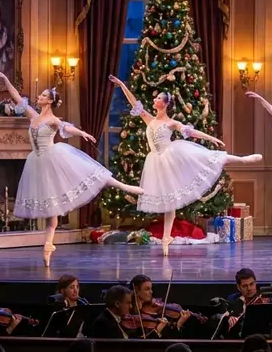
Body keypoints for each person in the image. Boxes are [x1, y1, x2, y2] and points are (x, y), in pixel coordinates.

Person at [0, 67, 143, 267]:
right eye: (41, 94)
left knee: (91, 173)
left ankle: (124, 186)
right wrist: (5, 79)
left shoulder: (53, 120)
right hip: (37, 163)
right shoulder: (32, 115)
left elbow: (66, 128)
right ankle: (48, 246)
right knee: (51, 210)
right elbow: (17, 97)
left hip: (53, 157)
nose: (39, 96)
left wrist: (82, 133)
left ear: (50, 101)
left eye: (43, 95)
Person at [110, 75, 261, 255]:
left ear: (165, 104)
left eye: (158, 98)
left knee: (209, 157)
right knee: (169, 202)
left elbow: (191, 132)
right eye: (156, 98)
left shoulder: (171, 122)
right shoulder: (149, 119)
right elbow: (135, 103)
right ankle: (166, 238)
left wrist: (211, 138)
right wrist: (121, 85)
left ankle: (243, 159)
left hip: (171, 155)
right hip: (156, 161)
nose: (155, 99)